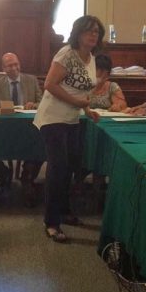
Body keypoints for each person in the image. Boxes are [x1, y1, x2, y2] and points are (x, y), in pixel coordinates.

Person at [34, 15, 102, 243]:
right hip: (53, 118)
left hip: (72, 119)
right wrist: (77, 103)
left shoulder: (91, 58)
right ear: (78, 33)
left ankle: (63, 211)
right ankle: (51, 223)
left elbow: (82, 92)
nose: (93, 35)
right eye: (88, 30)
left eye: (96, 31)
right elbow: (49, 84)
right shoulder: (67, 54)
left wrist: (87, 110)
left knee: (72, 166)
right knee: (58, 168)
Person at [0, 52, 44, 206]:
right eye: (9, 65)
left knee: (41, 144)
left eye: (16, 64)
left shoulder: (31, 80)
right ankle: (2, 172)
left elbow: (43, 102)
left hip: (28, 130)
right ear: (3, 68)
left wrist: (34, 104)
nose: (14, 68)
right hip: (3, 130)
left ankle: (27, 178)